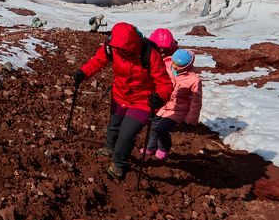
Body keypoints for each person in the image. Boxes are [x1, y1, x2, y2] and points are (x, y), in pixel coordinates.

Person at [73, 21, 173, 180]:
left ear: (133, 43)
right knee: (114, 126)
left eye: (123, 49)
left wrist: (159, 97)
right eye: (117, 48)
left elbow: (165, 83)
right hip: (119, 95)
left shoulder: (149, 54)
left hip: (142, 101)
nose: (119, 51)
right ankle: (110, 148)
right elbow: (97, 61)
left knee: (126, 133)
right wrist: (83, 73)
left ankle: (119, 164)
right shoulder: (111, 47)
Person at [143, 49, 202, 160]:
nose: (174, 66)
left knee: (161, 129)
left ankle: (164, 148)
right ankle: (150, 147)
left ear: (187, 66)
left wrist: (191, 119)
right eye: (174, 63)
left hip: (178, 110)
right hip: (163, 106)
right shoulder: (166, 67)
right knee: (153, 126)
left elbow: (196, 101)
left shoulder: (194, 80)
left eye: (179, 65)